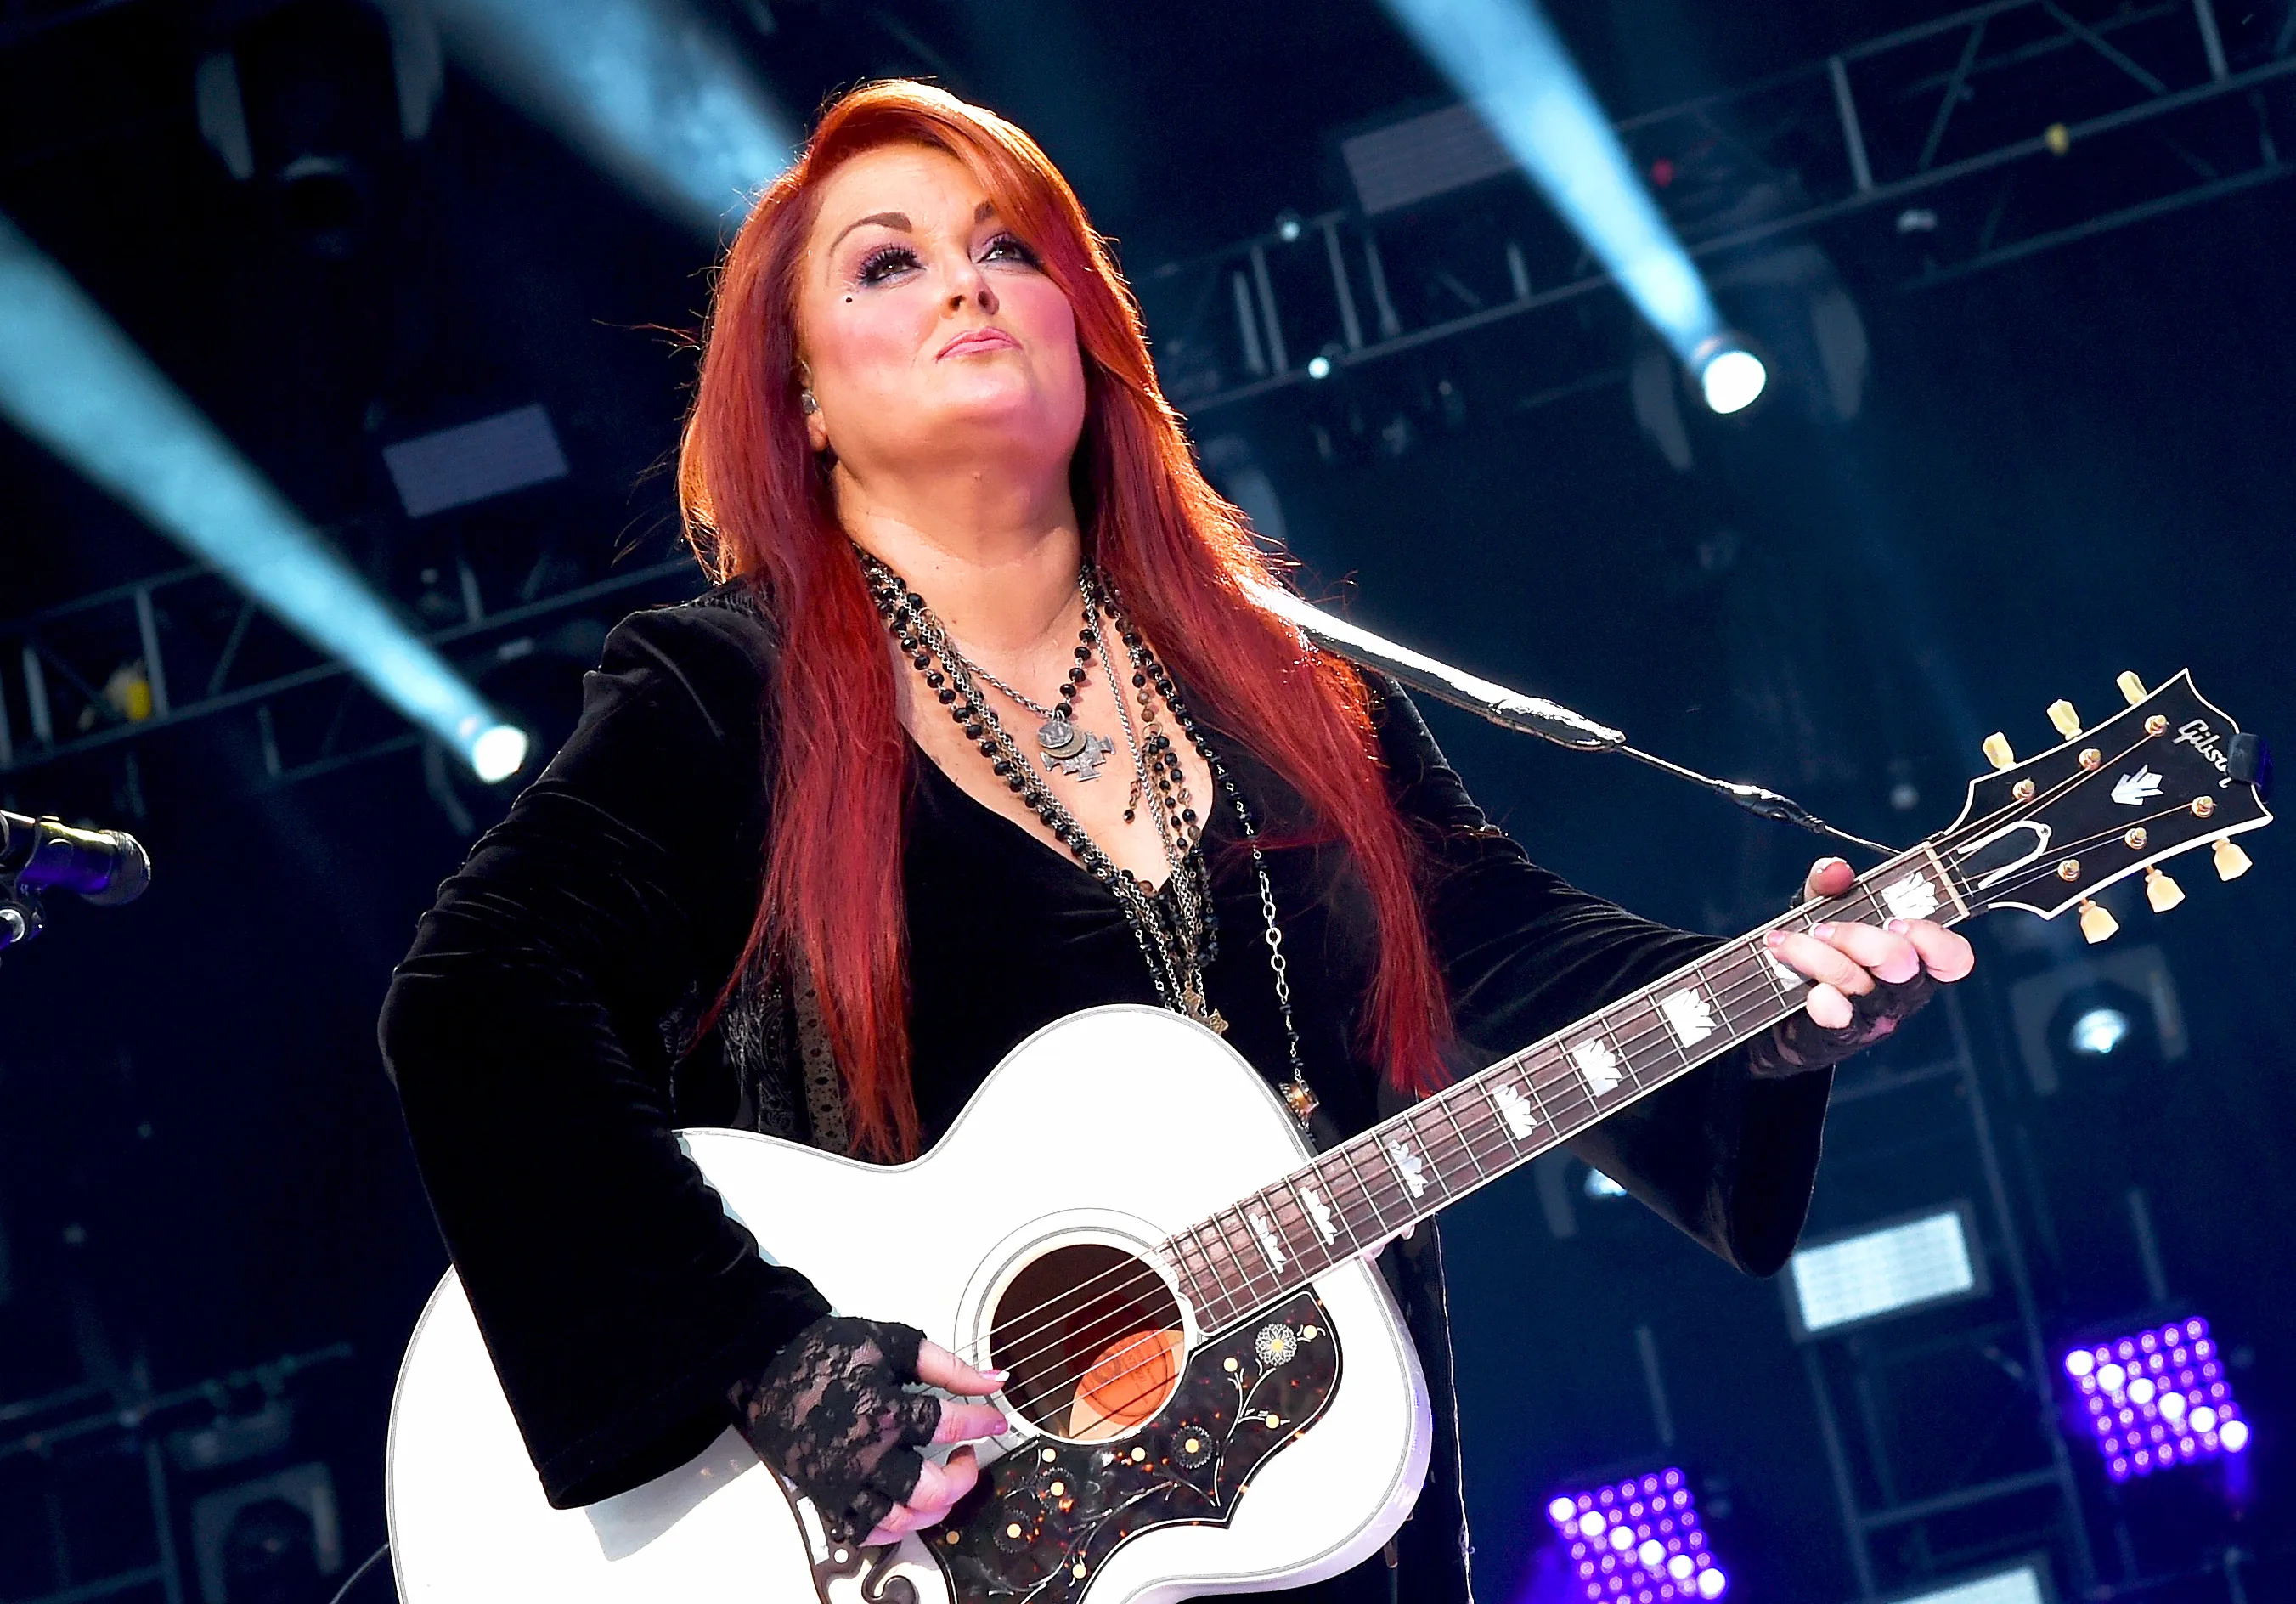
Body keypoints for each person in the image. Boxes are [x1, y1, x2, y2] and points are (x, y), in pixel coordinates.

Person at [378, 80, 1974, 1604]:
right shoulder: (724, 695)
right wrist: (768, 1354)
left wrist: (1769, 1003)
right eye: (889, 262)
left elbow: (1501, 942)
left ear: (1086, 326)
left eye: (1009, 248)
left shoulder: (1285, 691)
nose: (967, 286)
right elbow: (474, 1002)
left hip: (1303, 1521)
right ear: (796, 395)